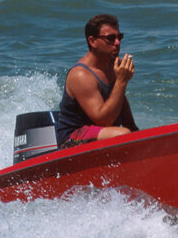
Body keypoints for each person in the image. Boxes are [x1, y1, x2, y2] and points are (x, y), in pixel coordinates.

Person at [55, 13, 139, 148]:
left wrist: (137, 133)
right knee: (123, 134)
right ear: (92, 41)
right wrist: (121, 81)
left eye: (119, 37)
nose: (117, 43)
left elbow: (120, 101)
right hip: (71, 140)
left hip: (102, 133)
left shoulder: (112, 66)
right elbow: (103, 121)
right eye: (110, 38)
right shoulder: (81, 75)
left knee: (131, 133)